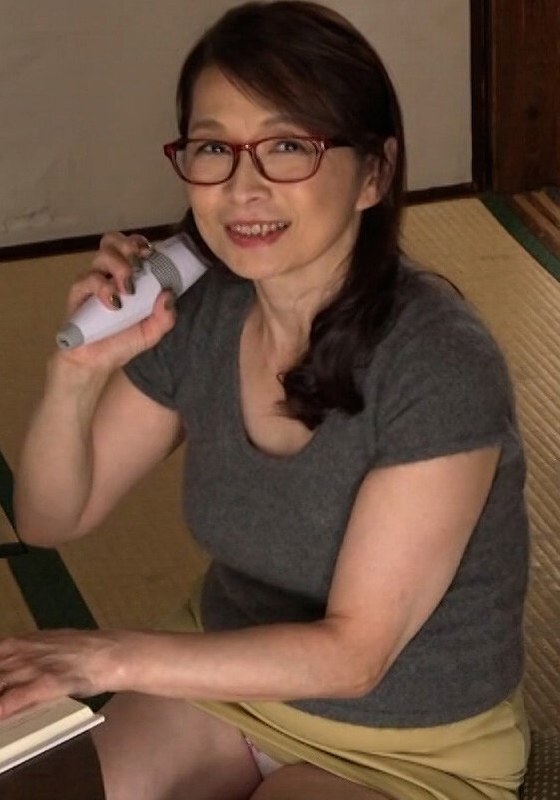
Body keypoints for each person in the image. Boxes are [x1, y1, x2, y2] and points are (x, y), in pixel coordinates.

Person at [2, 2, 529, 798]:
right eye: (215, 147)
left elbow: (354, 656)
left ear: (375, 173)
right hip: (224, 689)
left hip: (407, 742)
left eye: (287, 146)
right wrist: (75, 375)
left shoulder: (439, 362)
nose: (242, 188)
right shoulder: (201, 312)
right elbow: (51, 520)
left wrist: (103, 657)